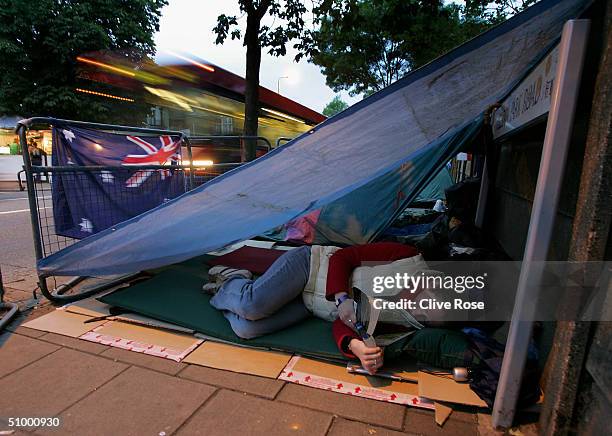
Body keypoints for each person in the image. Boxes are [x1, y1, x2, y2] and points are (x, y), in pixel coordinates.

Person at [205, 242, 421, 373]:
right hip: (310, 265)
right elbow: (343, 256)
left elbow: (344, 323)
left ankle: (237, 287)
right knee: (251, 306)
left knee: (246, 329)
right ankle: (229, 282)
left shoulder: (405, 323)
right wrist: (342, 297)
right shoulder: (408, 257)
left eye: (424, 315)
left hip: (309, 305)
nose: (419, 309)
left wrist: (356, 347)